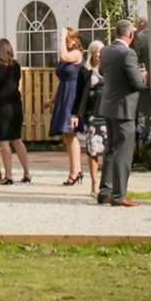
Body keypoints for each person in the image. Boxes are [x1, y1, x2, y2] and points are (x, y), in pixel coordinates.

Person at [99, 18, 147, 207]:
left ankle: (105, 192)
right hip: (124, 108)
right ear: (130, 34)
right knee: (123, 152)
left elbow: (103, 72)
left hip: (109, 106)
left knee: (110, 150)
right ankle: (119, 195)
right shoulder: (128, 54)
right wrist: (143, 78)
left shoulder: (107, 51)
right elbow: (136, 83)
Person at [0, 37, 31, 184]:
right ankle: (27, 172)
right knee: (17, 140)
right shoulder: (16, 66)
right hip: (16, 105)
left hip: (2, 106)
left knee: (4, 141)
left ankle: (9, 176)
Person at [51, 27, 85, 186]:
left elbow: (64, 56)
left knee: (70, 133)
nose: (65, 42)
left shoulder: (76, 53)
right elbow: (61, 78)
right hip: (64, 94)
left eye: (68, 39)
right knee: (66, 135)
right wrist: (52, 99)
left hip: (72, 95)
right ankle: (75, 170)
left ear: (75, 39)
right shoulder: (67, 55)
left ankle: (76, 171)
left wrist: (62, 37)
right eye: (65, 40)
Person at [77, 40, 107, 199]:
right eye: (95, 51)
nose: (98, 54)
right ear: (91, 53)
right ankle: (94, 183)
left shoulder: (109, 70)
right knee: (93, 150)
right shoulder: (85, 71)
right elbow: (79, 94)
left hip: (107, 114)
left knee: (108, 150)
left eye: (101, 51)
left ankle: (106, 183)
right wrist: (76, 114)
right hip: (93, 115)